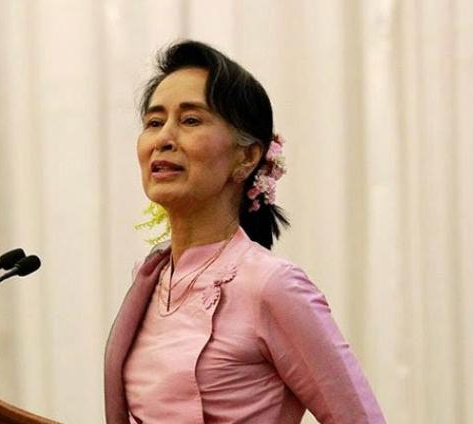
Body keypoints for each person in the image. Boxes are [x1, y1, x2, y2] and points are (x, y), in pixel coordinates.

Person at [104, 40, 385, 423]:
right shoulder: (150, 281)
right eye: (154, 122)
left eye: (190, 120)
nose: (164, 138)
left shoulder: (271, 285)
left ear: (247, 158)